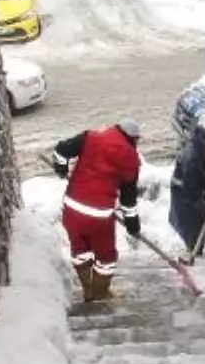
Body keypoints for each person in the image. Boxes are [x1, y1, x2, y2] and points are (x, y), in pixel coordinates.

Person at [50, 117, 143, 302]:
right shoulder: (131, 159)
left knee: (80, 251)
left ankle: (88, 290)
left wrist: (60, 168)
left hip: (72, 209)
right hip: (98, 217)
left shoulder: (91, 137)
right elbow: (128, 199)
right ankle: (101, 293)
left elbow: (61, 149)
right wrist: (133, 223)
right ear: (133, 138)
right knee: (105, 258)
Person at [169, 127, 205, 262]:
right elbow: (191, 193)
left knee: (202, 227)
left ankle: (196, 248)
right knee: (191, 227)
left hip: (199, 189)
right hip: (183, 194)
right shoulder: (192, 160)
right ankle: (192, 248)